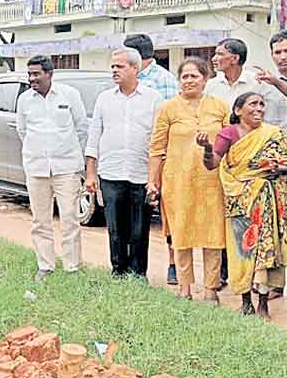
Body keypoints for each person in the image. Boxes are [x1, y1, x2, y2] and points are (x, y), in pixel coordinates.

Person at [200, 92, 287, 318]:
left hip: (268, 202)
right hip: (240, 201)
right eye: (253, 104)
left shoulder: (272, 134)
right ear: (238, 110)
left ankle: (263, 302)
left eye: (262, 104)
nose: (259, 108)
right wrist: (205, 148)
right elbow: (212, 163)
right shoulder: (229, 133)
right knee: (243, 251)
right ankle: (246, 301)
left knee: (266, 249)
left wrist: (278, 169)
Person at [149, 58, 228, 300]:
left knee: (213, 235)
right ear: (179, 80)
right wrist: (153, 181)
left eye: (195, 76)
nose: (189, 80)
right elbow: (156, 148)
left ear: (205, 79)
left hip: (213, 181)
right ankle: (185, 287)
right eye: (185, 76)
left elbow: (229, 142)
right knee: (181, 234)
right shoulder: (168, 108)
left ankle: (211, 289)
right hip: (178, 181)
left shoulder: (219, 106)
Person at [84, 49, 161, 278]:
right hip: (111, 172)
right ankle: (118, 270)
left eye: (120, 66)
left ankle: (138, 274)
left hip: (141, 173)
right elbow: (94, 136)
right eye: (113, 67)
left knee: (139, 229)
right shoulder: (104, 99)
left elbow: (157, 140)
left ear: (135, 69)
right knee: (116, 228)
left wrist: (154, 179)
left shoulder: (153, 98)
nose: (114, 71)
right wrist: (90, 173)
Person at [16, 55, 88, 280]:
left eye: (36, 74)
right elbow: (23, 131)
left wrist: (70, 154)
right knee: (40, 220)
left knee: (69, 218)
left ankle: (72, 267)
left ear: (49, 74)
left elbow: (82, 129)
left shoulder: (69, 95)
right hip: (36, 168)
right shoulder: (24, 100)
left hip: (66, 168)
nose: (32, 79)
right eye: (29, 74)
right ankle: (45, 266)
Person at [123, 33, 181, 284]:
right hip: (131, 158)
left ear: (136, 58)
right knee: (132, 214)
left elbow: (168, 125)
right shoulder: (124, 80)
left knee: (167, 214)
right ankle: (128, 264)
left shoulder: (164, 81)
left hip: (161, 159)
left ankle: (173, 264)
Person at [205, 39, 268, 107]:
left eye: (220, 54)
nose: (213, 59)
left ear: (235, 58)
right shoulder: (211, 85)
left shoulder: (257, 83)